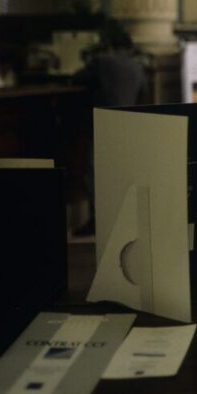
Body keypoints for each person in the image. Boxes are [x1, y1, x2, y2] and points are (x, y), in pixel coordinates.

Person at [72, 19, 148, 236]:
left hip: (104, 123)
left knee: (95, 173)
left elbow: (77, 78)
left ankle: (99, 219)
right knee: (122, 174)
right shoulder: (137, 67)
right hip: (128, 125)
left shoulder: (103, 62)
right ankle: (123, 219)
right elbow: (144, 94)